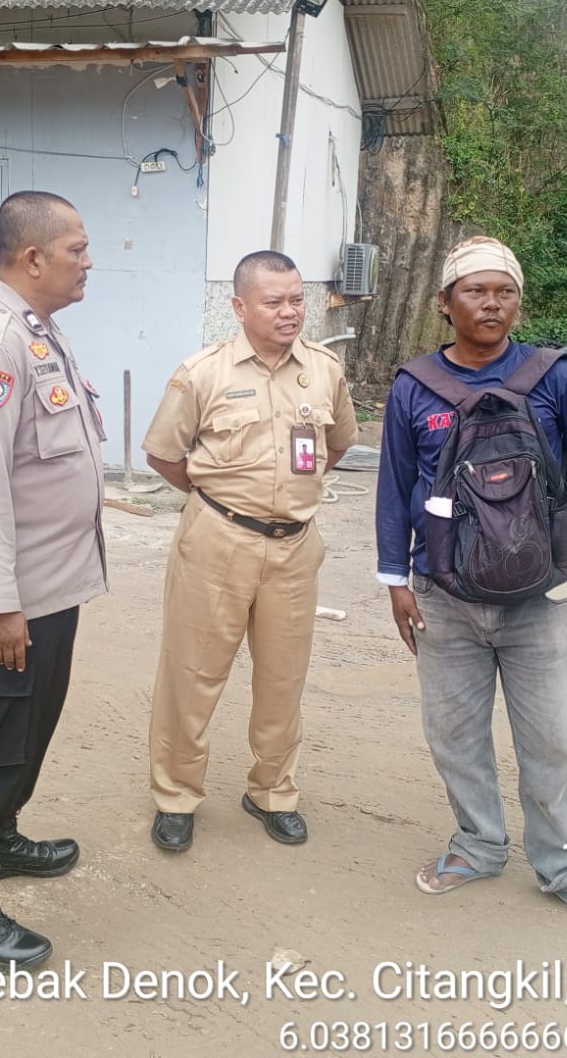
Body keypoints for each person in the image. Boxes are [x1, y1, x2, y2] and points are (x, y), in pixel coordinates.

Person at [375, 236, 567, 932]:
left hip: (537, 598)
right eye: (475, 291)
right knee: (454, 734)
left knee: (555, 741)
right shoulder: (415, 387)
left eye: (505, 292)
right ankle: (479, 845)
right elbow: (394, 487)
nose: (491, 304)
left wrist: (549, 519)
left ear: (518, 302)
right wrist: (396, 579)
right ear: (445, 303)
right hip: (443, 595)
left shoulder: (555, 377)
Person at [0, 190, 106, 971]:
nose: (87, 262)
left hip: (51, 589)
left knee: (27, 734)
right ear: (33, 258)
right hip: (12, 602)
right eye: (77, 249)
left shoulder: (39, 332)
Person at [141, 251, 358, 853]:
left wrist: (289, 495)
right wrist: (220, 500)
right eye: (274, 301)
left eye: (297, 299)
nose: (290, 312)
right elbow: (163, 454)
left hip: (295, 547)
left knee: (283, 679)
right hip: (217, 542)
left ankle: (272, 792)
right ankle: (176, 795)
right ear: (239, 307)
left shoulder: (324, 370)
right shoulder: (202, 373)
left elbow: (337, 443)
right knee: (192, 675)